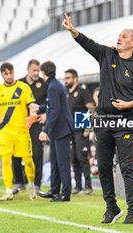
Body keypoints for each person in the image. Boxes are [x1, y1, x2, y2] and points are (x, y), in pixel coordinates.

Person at [62, 13, 133, 224]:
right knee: (103, 166)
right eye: (119, 35)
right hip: (103, 121)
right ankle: (112, 208)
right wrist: (73, 31)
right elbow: (88, 44)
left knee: (126, 167)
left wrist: (130, 104)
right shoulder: (106, 55)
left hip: (124, 122)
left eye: (124, 36)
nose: (119, 38)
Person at [0, 62, 39, 201]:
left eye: (11, 73)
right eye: (6, 74)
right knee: (5, 161)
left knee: (28, 161)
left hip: (21, 131)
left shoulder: (23, 87)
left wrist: (32, 115)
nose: (9, 76)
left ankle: (31, 185)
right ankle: (8, 191)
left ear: (14, 72)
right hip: (5, 132)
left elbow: (32, 105)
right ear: (2, 74)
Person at [37, 61, 74, 202]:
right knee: (55, 162)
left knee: (62, 163)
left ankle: (65, 194)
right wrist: (39, 108)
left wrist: (45, 130)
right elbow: (50, 105)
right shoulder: (56, 85)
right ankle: (54, 191)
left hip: (61, 130)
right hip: (58, 131)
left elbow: (55, 111)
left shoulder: (53, 87)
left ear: (44, 73)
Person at [12, 59, 47, 194]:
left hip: (36, 123)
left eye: (38, 70)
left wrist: (46, 115)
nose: (36, 73)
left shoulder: (43, 84)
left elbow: (51, 102)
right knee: (16, 153)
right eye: (34, 70)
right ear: (28, 70)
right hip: (20, 124)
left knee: (37, 153)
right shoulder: (19, 84)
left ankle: (36, 184)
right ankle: (19, 182)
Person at [65, 68, 94, 195]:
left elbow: (91, 109)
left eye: (68, 78)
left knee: (82, 157)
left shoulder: (82, 92)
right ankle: (77, 186)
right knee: (74, 158)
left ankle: (88, 186)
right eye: (65, 78)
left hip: (81, 130)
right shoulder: (66, 93)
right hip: (69, 130)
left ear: (75, 79)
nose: (66, 81)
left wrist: (88, 127)